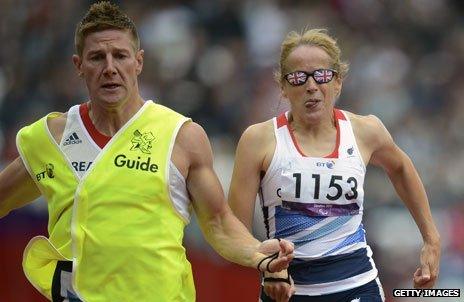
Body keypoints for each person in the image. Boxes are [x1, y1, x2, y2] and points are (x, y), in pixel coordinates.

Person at [0, 2, 295, 301]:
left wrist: (256, 252)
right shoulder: (49, 139)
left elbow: (218, 222)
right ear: (79, 66)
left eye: (120, 56)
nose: (110, 68)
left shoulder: (181, 136)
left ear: (138, 62)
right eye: (97, 58)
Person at [229, 28, 441, 302]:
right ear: (282, 86)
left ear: (338, 82)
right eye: (297, 77)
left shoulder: (366, 131)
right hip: (289, 289)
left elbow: (400, 168)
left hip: (356, 285)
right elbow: (233, 228)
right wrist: (267, 265)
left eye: (322, 75)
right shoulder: (258, 140)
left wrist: (431, 239)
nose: (311, 86)